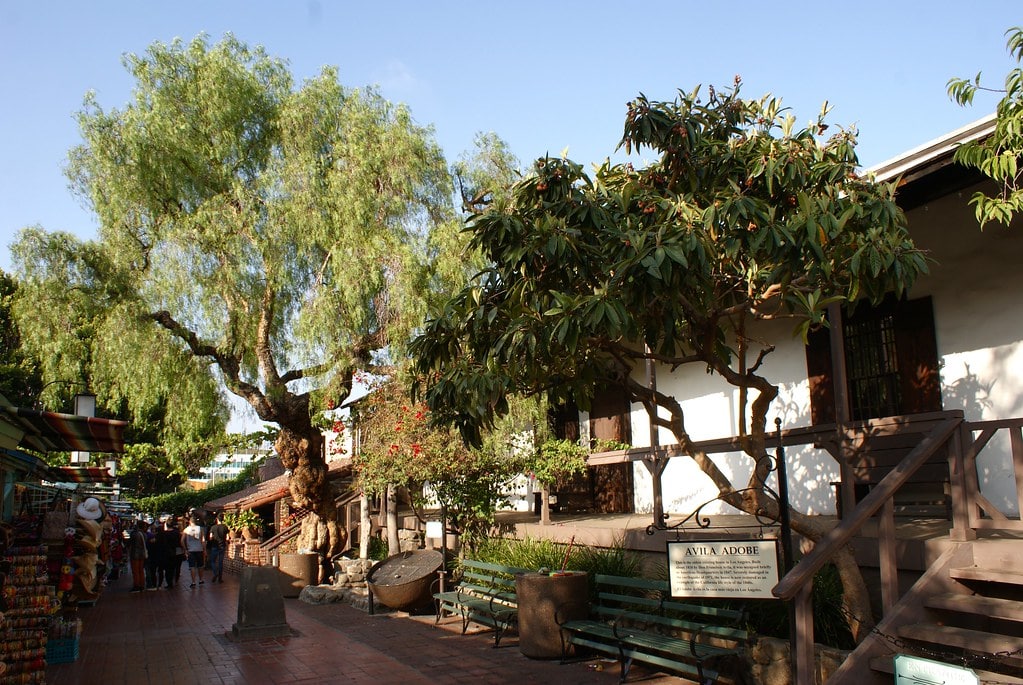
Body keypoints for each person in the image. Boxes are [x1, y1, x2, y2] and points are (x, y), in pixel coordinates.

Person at [181, 515, 206, 588]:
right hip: (199, 549)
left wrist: (185, 549)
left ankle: (193, 581)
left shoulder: (186, 530)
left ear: (190, 522)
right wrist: (204, 549)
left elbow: (182, 541)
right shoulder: (200, 529)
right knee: (200, 565)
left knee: (192, 566)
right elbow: (203, 540)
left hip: (191, 550)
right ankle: (201, 580)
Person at [206, 513, 229, 583]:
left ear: (217, 519)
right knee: (220, 562)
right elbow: (228, 537)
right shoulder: (225, 527)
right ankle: (220, 578)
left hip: (214, 546)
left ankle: (215, 573)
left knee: (212, 561)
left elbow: (210, 537)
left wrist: (212, 539)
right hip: (222, 546)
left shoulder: (213, 527)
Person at [159, 516, 180, 589]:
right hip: (175, 553)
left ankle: (169, 583)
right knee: (174, 568)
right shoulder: (176, 533)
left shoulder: (163, 534)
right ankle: (174, 580)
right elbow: (179, 543)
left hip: (166, 553)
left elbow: (160, 543)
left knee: (168, 569)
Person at [127, 520, 148, 593]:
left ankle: (137, 585)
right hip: (142, 554)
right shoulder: (144, 534)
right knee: (141, 570)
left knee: (135, 570)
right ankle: (141, 584)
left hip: (134, 554)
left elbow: (129, 543)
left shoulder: (134, 534)